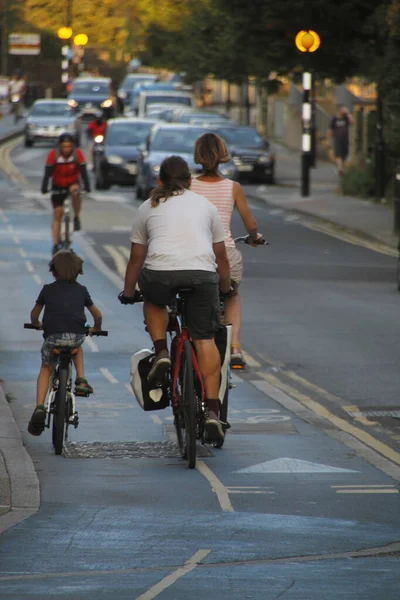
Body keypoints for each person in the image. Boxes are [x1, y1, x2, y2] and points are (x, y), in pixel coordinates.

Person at [119, 155, 231, 443]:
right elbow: (220, 256)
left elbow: (135, 259)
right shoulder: (205, 206)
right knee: (204, 339)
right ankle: (212, 413)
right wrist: (225, 288)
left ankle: (162, 352)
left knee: (153, 298)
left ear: (160, 181)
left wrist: (129, 292)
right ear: (190, 181)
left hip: (160, 275)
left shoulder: (147, 207)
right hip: (202, 276)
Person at [191, 132, 264, 369]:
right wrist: (255, 237)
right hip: (226, 254)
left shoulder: (188, 185)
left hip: (195, 255)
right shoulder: (233, 187)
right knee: (232, 295)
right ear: (222, 155)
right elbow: (250, 225)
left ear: (198, 156)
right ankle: (234, 347)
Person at [27, 250, 102, 436]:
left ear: (53, 271)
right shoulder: (82, 290)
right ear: (79, 272)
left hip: (52, 338)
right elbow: (97, 315)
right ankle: (81, 379)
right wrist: (96, 328)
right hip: (75, 336)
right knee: (78, 348)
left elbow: (34, 314)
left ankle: (39, 407)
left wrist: (37, 324)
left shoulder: (47, 289)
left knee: (46, 368)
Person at [41, 133, 91, 255]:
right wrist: (44, 187)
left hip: (72, 183)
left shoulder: (77, 154)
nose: (66, 149)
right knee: (58, 213)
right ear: (60, 146)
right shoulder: (53, 155)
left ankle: (76, 217)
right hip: (58, 186)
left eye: (69, 146)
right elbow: (47, 174)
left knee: (75, 193)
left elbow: (84, 172)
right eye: (64, 146)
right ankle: (55, 244)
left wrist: (87, 186)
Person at [328, 105, 354, 176]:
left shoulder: (346, 118)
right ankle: (340, 168)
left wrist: (348, 113)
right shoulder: (334, 119)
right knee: (338, 154)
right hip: (337, 139)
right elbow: (330, 130)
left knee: (345, 154)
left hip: (345, 139)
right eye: (343, 110)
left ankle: (340, 167)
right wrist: (329, 141)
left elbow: (352, 122)